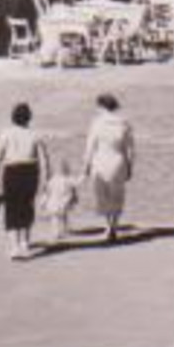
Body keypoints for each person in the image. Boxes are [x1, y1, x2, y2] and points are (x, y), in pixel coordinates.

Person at [0, 102, 50, 260]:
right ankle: (25, 243)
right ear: (29, 118)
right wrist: (46, 181)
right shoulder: (35, 135)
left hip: (12, 171)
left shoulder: (6, 134)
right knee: (27, 206)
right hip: (30, 171)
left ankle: (14, 246)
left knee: (11, 207)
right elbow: (45, 161)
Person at [83, 93, 135, 241]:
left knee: (102, 194)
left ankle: (108, 226)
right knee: (117, 195)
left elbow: (90, 147)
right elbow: (130, 148)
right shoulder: (124, 123)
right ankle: (115, 225)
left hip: (100, 160)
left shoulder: (97, 123)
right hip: (118, 160)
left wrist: (86, 165)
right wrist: (130, 166)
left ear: (101, 107)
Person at [40, 158, 81, 241]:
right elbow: (76, 183)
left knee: (54, 218)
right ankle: (64, 229)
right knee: (63, 216)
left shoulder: (51, 180)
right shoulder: (68, 179)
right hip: (63, 202)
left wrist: (43, 202)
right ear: (66, 169)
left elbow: (46, 192)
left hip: (52, 203)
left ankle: (56, 232)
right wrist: (83, 176)